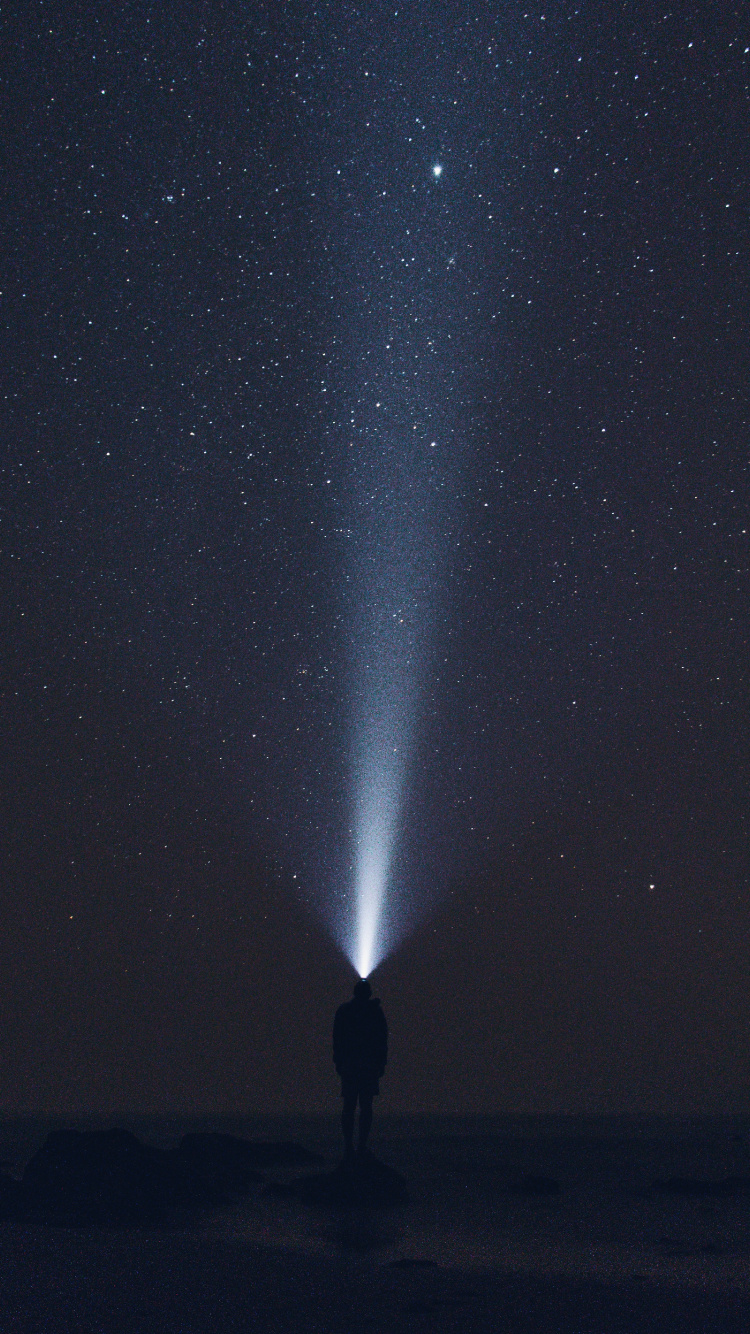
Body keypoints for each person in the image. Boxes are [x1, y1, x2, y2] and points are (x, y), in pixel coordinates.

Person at [333, 978, 388, 1157]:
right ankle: (360, 1146)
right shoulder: (375, 1012)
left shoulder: (344, 1011)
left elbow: (337, 1038)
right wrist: (381, 1063)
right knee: (365, 1106)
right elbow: (382, 1040)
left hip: (350, 1065)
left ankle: (349, 1146)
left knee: (349, 1105)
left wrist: (338, 1062)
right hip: (368, 1065)